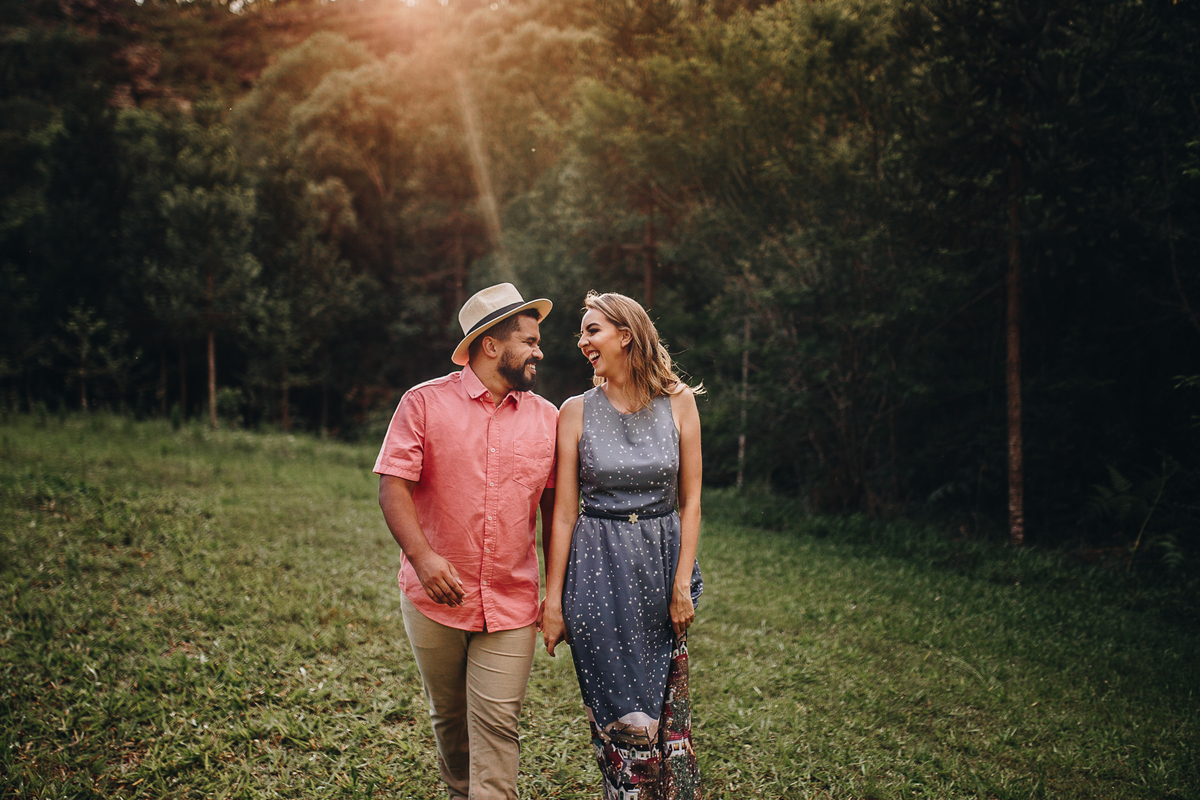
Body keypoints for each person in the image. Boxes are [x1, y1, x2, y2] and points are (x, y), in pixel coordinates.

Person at [375, 283, 557, 800]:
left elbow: (555, 513)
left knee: (498, 726)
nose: (539, 351)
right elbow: (393, 485)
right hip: (434, 599)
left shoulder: (549, 419)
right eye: (529, 341)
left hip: (512, 604)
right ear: (491, 345)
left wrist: (557, 592)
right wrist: (423, 558)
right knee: (450, 717)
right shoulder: (423, 403)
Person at [540, 291, 704, 800]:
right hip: (596, 575)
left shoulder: (679, 402)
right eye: (582, 333)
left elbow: (692, 501)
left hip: (660, 570)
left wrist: (682, 583)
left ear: (626, 335)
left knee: (665, 712)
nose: (582, 341)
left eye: (593, 330)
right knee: (621, 722)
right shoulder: (574, 411)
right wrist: (553, 601)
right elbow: (564, 512)